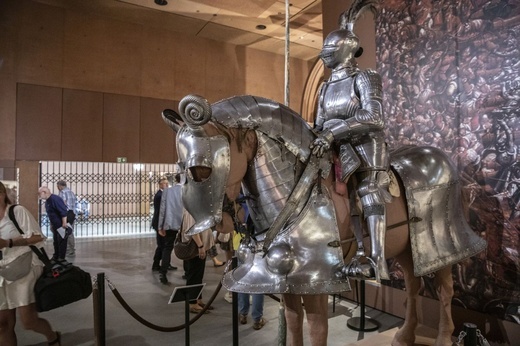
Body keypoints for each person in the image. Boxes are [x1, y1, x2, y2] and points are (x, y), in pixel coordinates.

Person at [309, 0, 391, 282]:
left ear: (344, 49)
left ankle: (378, 260)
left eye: (329, 48)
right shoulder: (325, 87)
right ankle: (354, 251)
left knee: (367, 191)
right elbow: (319, 124)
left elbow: (374, 117)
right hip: (338, 151)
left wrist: (333, 131)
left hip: (367, 147)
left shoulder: (366, 77)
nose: (325, 53)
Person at [0, 182, 61, 345]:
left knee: (28, 321)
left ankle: (53, 336)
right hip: (1, 274)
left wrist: (7, 243)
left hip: (23, 267)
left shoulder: (16, 212)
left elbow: (38, 237)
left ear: (3, 194)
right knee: (3, 324)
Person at [180, 210, 213, 314]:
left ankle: (198, 299)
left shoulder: (196, 207)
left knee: (198, 274)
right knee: (193, 274)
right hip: (195, 247)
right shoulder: (191, 209)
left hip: (199, 247)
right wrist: (200, 245)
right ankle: (192, 303)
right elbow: (192, 230)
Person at [157, 174, 182, 284]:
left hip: (170, 222)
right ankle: (187, 272)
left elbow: (162, 210)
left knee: (167, 248)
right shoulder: (187, 191)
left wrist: (160, 226)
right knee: (188, 245)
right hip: (185, 223)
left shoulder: (168, 191)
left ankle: (163, 273)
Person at [151, 177, 177, 274]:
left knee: (163, 245)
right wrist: (160, 226)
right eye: (164, 183)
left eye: (167, 183)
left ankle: (163, 263)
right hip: (159, 224)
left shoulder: (163, 194)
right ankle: (157, 264)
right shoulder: (160, 195)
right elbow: (161, 212)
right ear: (160, 184)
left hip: (161, 224)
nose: (167, 185)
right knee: (162, 245)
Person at [38, 186, 70, 262]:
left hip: (61, 225)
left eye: (39, 194)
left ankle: (61, 258)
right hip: (55, 225)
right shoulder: (48, 200)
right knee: (56, 242)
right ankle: (56, 256)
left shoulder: (55, 199)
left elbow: (63, 212)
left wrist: (64, 223)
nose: (39, 196)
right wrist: (52, 225)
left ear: (44, 192)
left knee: (61, 242)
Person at [57, 180, 77, 256]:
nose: (58, 188)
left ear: (60, 186)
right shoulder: (71, 192)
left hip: (65, 214)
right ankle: (71, 250)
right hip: (72, 214)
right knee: (70, 232)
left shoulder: (63, 192)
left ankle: (67, 250)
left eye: (58, 186)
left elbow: (62, 204)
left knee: (63, 232)